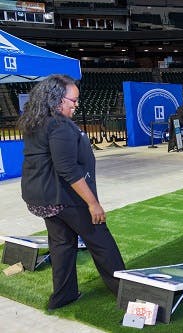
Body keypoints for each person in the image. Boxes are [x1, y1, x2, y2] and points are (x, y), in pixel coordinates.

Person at [17, 75, 125, 310]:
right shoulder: (59, 125)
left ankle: (64, 295)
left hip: (42, 198)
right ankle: (126, 293)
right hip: (62, 197)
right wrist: (92, 203)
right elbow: (67, 169)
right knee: (100, 240)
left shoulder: (36, 121)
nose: (76, 105)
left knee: (62, 243)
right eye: (73, 100)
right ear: (56, 99)